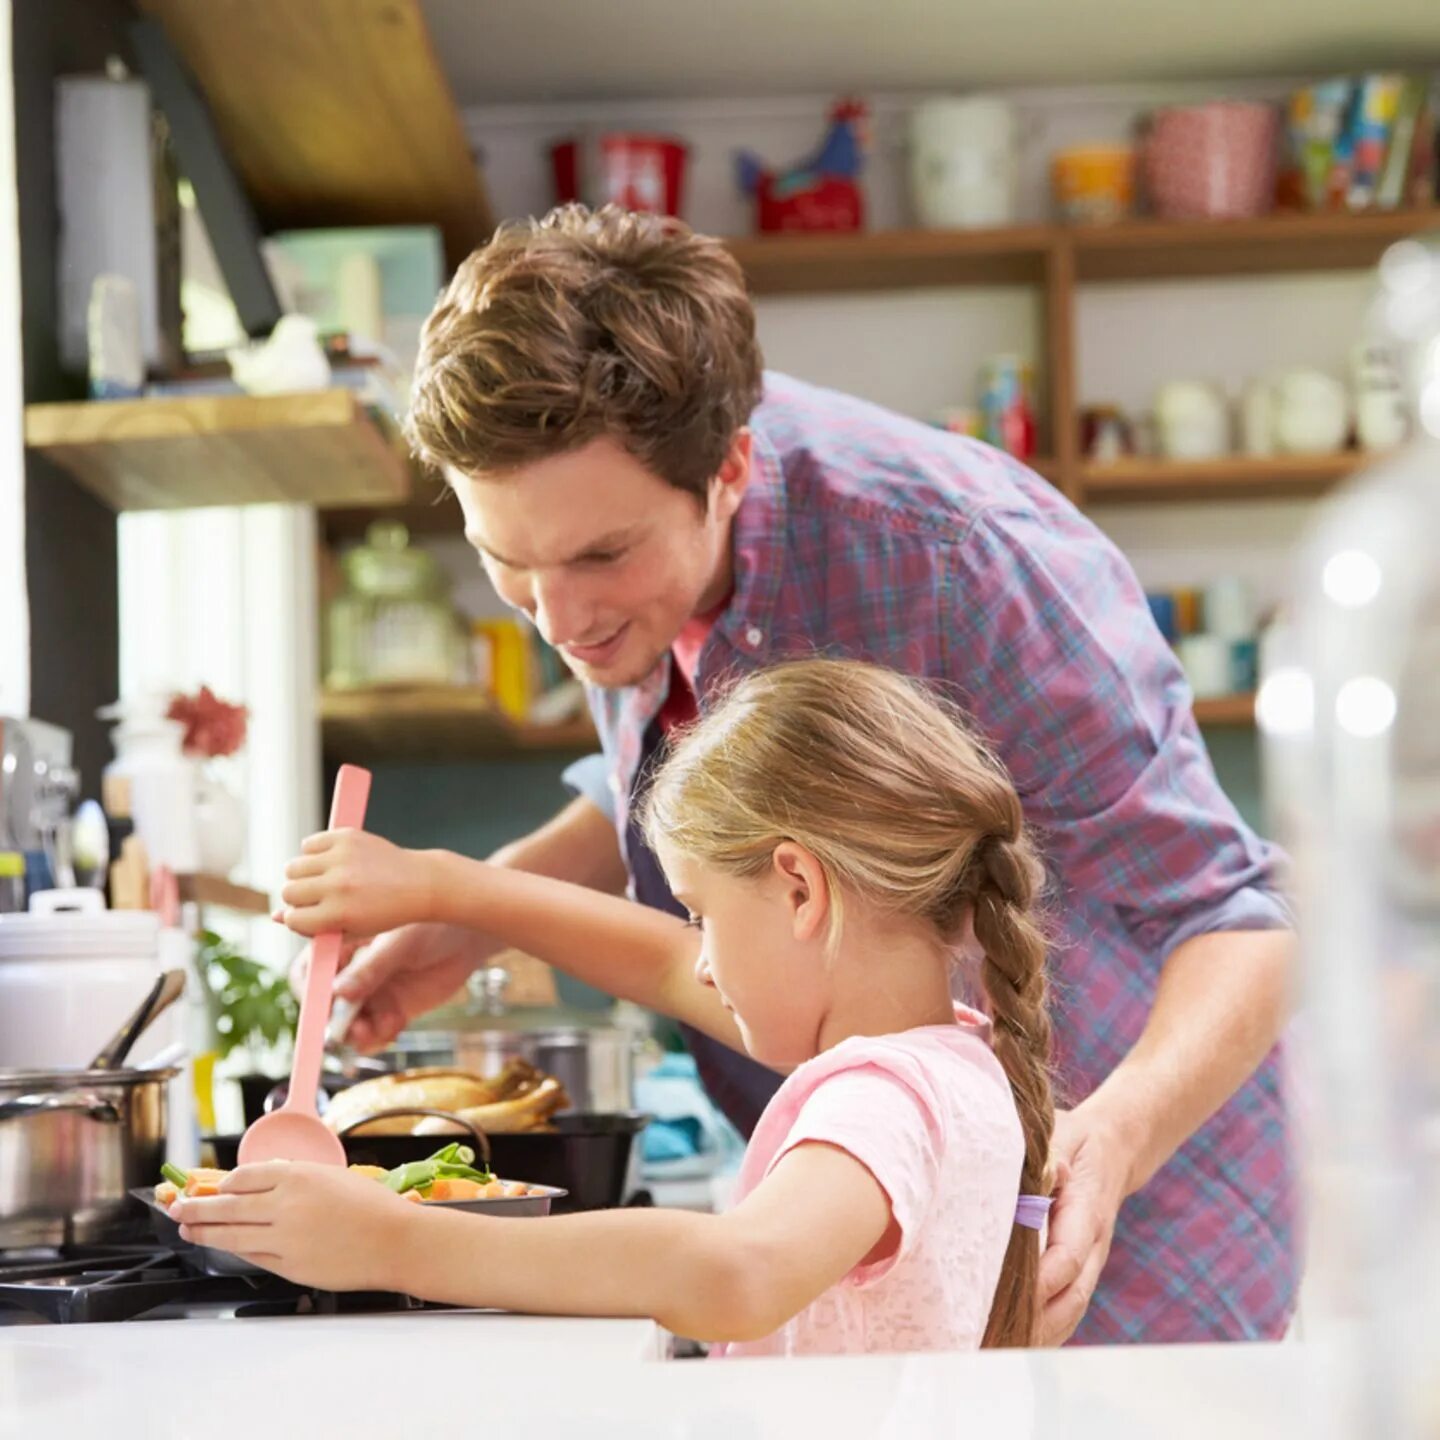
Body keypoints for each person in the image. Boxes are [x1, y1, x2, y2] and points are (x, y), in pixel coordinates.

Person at [302, 204, 1298, 1345]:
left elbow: (1241, 917)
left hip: (1140, 1218)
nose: (559, 621)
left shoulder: (961, 555)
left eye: (601, 558)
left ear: (727, 468)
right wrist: (479, 911)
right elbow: (683, 777)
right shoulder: (605, 550)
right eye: (504, 563)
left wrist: (1116, 1136)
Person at [177, 660, 1054, 1356]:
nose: (701, 961)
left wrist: (393, 1242)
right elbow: (665, 969)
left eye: (702, 916)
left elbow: (739, 1271)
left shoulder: (880, 1100)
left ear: (798, 889)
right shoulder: (952, 1058)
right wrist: (443, 886)